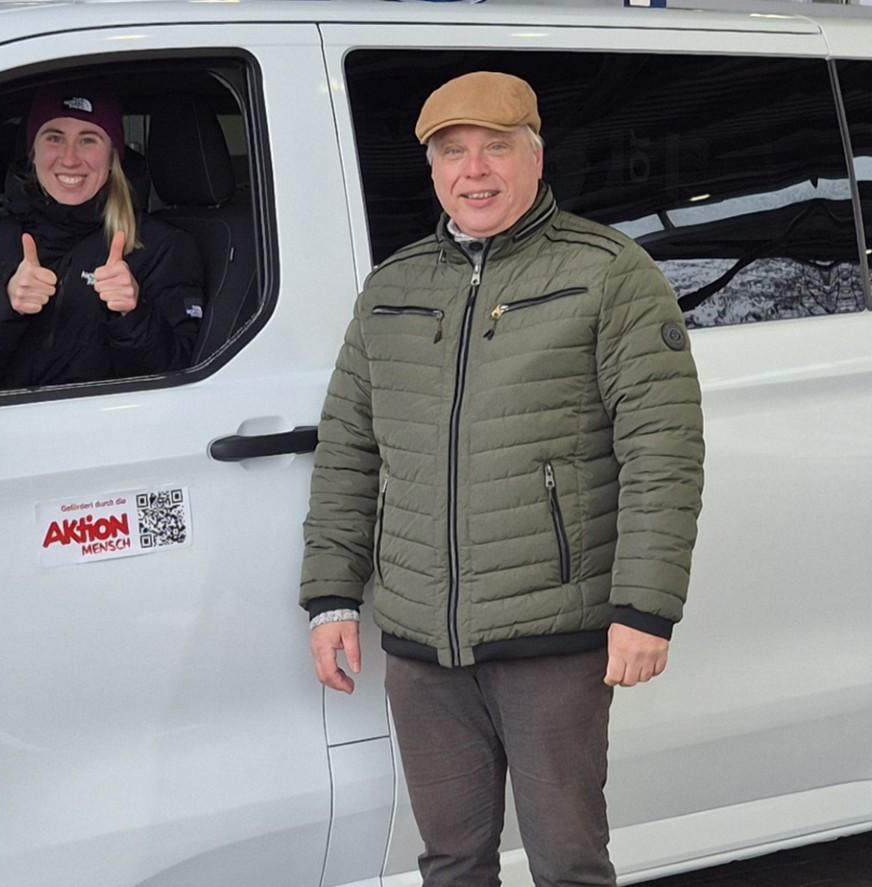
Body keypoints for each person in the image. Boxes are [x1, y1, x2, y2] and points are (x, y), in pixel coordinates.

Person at [299, 71, 704, 886]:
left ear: (535, 156)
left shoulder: (609, 273)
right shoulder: (393, 289)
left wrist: (645, 608)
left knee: (568, 862)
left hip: (554, 634)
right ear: (432, 169)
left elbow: (662, 446)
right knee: (450, 860)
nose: (473, 171)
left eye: (495, 148)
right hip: (421, 643)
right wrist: (331, 597)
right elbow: (349, 449)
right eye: (453, 152)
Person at [0, 84, 202, 394]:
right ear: (33, 152)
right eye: (54, 137)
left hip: (108, 437)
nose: (69, 158)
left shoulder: (161, 247)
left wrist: (131, 315)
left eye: (88, 140)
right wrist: (4, 304)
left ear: (112, 157)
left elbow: (181, 386)